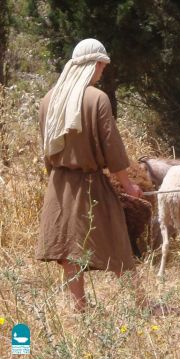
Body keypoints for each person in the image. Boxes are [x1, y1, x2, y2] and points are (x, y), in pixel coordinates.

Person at [36, 38, 163, 314]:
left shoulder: (49, 99)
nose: (102, 71)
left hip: (58, 184)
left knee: (68, 248)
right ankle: (141, 304)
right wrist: (128, 185)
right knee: (117, 241)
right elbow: (112, 148)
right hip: (90, 183)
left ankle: (79, 306)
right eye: (102, 66)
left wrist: (55, 178)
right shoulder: (97, 99)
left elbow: (46, 147)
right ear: (93, 65)